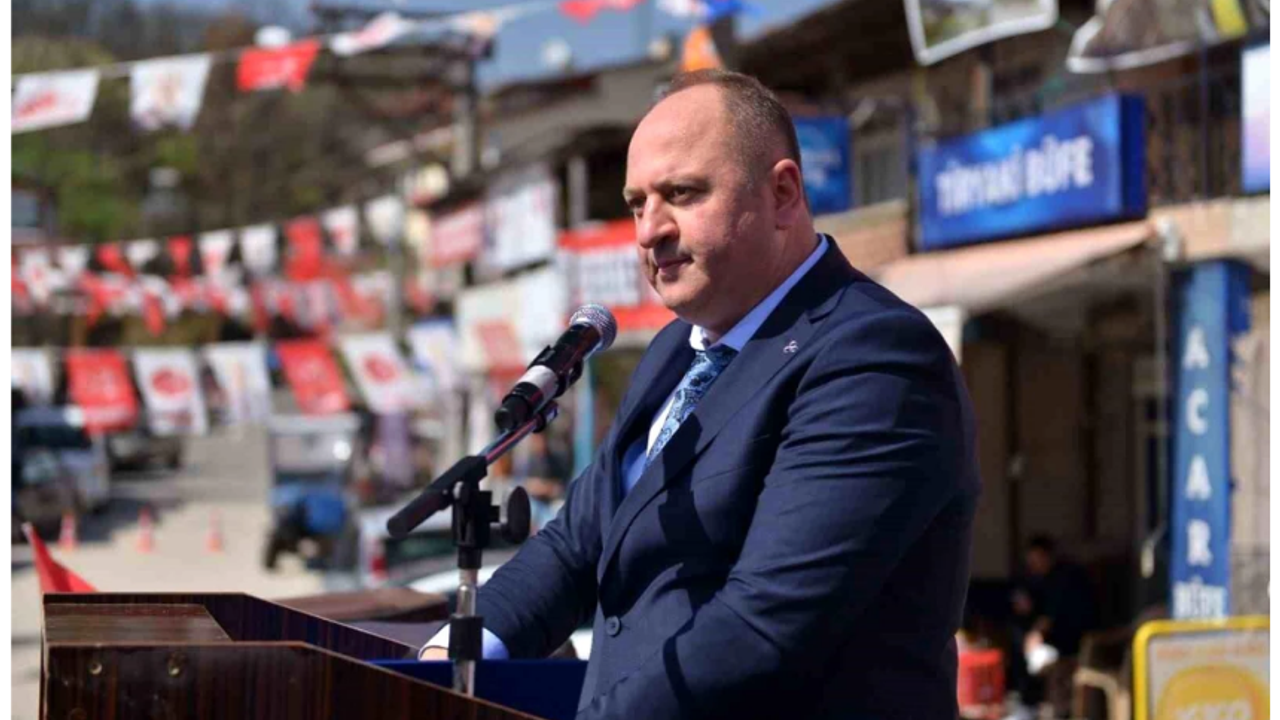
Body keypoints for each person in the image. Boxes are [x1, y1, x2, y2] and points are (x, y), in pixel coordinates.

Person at [421, 70, 981, 719]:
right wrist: (443, 663)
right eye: (637, 204)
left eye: (681, 194)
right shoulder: (674, 351)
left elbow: (762, 625)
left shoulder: (872, 356)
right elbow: (575, 548)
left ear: (782, 193)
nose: (648, 230)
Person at [1011, 535, 1098, 715]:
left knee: (1036, 652)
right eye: (1031, 562)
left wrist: (1035, 635)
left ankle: (1038, 705)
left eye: (1037, 560)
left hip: (1077, 638)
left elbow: (1052, 615)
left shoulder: (1066, 577)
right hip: (1056, 636)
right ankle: (1029, 703)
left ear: (1048, 556)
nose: (1035, 566)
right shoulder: (1037, 579)